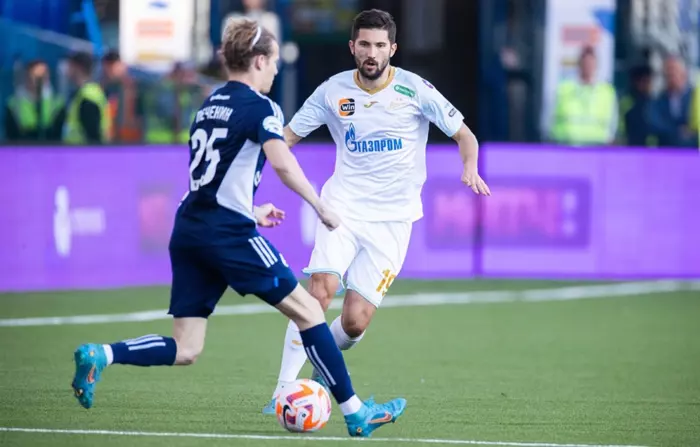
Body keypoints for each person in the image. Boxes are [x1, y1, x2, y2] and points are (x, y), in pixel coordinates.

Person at [70, 17, 406, 438]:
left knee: (186, 347)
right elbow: (283, 163)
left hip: (189, 228)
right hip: (227, 232)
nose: (276, 70)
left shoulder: (208, 106)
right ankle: (357, 414)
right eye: (274, 61)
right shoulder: (261, 107)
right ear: (259, 60)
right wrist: (319, 205)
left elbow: (210, 179)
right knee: (309, 311)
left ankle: (102, 354)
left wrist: (252, 208)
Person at [262, 9, 490, 414]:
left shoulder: (415, 89)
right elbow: (287, 138)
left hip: (393, 221)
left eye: (380, 45)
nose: (372, 53)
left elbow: (465, 135)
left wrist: (469, 166)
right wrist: (250, 160)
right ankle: (283, 391)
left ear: (392, 49)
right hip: (342, 209)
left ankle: (322, 367)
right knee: (318, 293)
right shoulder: (332, 92)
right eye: (365, 44)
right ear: (353, 47)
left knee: (355, 323)